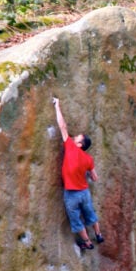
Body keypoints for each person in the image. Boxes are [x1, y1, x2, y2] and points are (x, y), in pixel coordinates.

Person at [53, 97, 104, 250]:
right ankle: (98, 234)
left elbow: (62, 126)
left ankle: (87, 242)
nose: (73, 137)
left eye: (77, 138)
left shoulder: (70, 147)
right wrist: (86, 173)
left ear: (79, 144)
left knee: (75, 220)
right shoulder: (89, 159)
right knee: (90, 213)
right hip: (84, 192)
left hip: (72, 194)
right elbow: (94, 177)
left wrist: (57, 105)